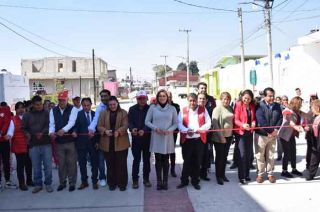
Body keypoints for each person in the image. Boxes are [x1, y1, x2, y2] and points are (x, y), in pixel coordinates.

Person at [177, 93, 211, 190]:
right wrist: (187, 130)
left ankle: (195, 181)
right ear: (188, 101)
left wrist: (200, 129)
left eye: (194, 100)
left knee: (197, 162)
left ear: (197, 100)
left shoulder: (203, 109)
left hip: (198, 140)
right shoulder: (183, 110)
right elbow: (179, 124)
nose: (192, 102)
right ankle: (184, 181)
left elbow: (208, 123)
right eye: (190, 100)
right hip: (187, 140)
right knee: (186, 161)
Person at [145, 89, 178, 190]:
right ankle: (159, 182)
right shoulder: (153, 108)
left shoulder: (172, 108)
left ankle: (165, 182)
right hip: (157, 136)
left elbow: (176, 123)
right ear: (157, 98)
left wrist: (169, 130)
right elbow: (147, 121)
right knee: (158, 159)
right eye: (160, 96)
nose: (162, 98)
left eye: (164, 96)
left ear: (167, 98)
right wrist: (155, 128)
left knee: (166, 159)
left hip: (167, 136)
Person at [97, 96, 130, 191]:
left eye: (114, 104)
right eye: (110, 104)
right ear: (108, 105)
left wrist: (119, 131)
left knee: (121, 164)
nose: (112, 106)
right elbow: (99, 126)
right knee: (110, 164)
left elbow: (126, 125)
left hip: (121, 142)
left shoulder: (123, 112)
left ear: (117, 103)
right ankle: (112, 183)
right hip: (107, 142)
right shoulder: (103, 113)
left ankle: (122, 183)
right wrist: (105, 131)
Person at [21, 95, 53, 193]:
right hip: (33, 144)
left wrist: (43, 132)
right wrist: (27, 134)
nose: (39, 106)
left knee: (48, 166)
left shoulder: (47, 113)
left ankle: (48, 184)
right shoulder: (27, 115)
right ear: (33, 105)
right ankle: (38, 184)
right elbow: (23, 128)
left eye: (40, 104)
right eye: (37, 105)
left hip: (46, 143)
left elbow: (50, 125)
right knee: (36, 166)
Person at [49, 90, 78, 192]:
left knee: (71, 163)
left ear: (67, 99)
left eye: (63, 100)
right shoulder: (53, 110)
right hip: (59, 142)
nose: (61, 102)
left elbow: (72, 122)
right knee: (61, 164)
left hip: (70, 141)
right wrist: (51, 132)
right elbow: (52, 124)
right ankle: (62, 182)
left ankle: (72, 182)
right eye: (60, 100)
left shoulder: (73, 109)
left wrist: (63, 130)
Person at [255, 87, 283, 183]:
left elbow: (280, 118)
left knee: (271, 155)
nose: (272, 98)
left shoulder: (277, 106)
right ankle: (260, 174)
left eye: (273, 96)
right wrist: (270, 131)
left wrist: (276, 129)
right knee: (260, 155)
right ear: (264, 96)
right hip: (261, 135)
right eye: (269, 96)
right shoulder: (259, 106)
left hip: (273, 135)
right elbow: (261, 120)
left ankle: (270, 174)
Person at [72, 97, 99, 190]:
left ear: (91, 105)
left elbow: (98, 129)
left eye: (88, 105)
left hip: (93, 143)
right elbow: (76, 126)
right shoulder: (79, 114)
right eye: (84, 106)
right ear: (82, 105)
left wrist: (97, 141)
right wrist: (74, 132)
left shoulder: (95, 114)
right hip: (81, 143)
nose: (86, 107)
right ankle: (84, 182)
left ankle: (95, 181)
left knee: (94, 163)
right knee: (82, 164)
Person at [6, 102, 33, 191]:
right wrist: (8, 135)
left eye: (22, 108)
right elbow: (10, 131)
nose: (21, 110)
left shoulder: (28, 118)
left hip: (29, 145)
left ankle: (29, 180)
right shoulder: (13, 120)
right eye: (19, 108)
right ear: (16, 110)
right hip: (19, 145)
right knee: (20, 166)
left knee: (29, 164)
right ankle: (22, 183)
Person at [128, 90, 152, 189]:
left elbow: (152, 121)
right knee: (136, 160)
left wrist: (144, 130)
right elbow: (129, 122)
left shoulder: (151, 109)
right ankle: (135, 180)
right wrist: (132, 128)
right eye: (139, 99)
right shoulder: (132, 109)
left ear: (147, 99)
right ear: (137, 99)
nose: (142, 100)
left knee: (147, 160)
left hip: (147, 139)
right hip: (136, 139)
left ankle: (146, 179)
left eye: (143, 98)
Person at [278, 96, 306, 178]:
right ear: (296, 103)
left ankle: (294, 169)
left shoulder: (297, 111)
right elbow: (291, 122)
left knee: (293, 152)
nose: (301, 105)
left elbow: (306, 115)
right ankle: (284, 170)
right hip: (284, 135)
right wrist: (297, 128)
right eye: (300, 104)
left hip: (291, 135)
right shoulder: (287, 111)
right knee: (287, 153)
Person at [88, 89, 110, 187]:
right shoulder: (99, 108)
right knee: (101, 161)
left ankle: (112, 177)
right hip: (101, 138)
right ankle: (102, 177)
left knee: (111, 160)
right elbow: (95, 120)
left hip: (112, 138)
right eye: (102, 96)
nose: (104, 98)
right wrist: (91, 129)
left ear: (109, 96)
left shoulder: (114, 105)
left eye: (105, 96)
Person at [234, 89, 256, 185]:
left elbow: (253, 118)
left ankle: (247, 174)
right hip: (241, 133)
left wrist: (254, 122)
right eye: (245, 98)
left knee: (248, 155)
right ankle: (241, 176)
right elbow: (236, 120)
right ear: (242, 97)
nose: (246, 100)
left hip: (249, 133)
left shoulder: (252, 106)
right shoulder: (238, 105)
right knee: (242, 155)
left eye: (249, 99)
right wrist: (242, 125)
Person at [212, 92, 234, 185]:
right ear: (221, 99)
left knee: (225, 157)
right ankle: (218, 176)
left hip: (229, 136)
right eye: (224, 99)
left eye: (228, 99)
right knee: (219, 157)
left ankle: (223, 174)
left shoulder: (230, 108)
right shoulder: (217, 109)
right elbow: (215, 123)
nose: (226, 100)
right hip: (219, 137)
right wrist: (221, 136)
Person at [197, 93, 211, 180]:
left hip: (205, 136)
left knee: (205, 156)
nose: (202, 100)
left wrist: (203, 129)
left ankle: (203, 174)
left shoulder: (206, 109)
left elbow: (209, 123)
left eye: (203, 99)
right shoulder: (194, 109)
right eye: (200, 98)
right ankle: (196, 175)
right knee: (197, 158)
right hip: (195, 137)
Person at [306, 99, 320, 181]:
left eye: (312, 108)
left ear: (318, 108)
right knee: (314, 159)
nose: (311, 109)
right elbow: (313, 127)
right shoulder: (314, 117)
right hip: (315, 142)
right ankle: (311, 174)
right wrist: (308, 128)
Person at [167, 91, 180, 177]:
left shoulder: (176, 106)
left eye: (170, 96)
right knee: (164, 151)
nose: (169, 98)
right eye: (167, 96)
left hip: (173, 131)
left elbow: (178, 118)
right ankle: (164, 168)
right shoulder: (160, 106)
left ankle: (172, 169)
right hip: (163, 132)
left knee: (172, 150)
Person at [0, 104, 13, 189]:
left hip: (4, 140)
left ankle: (7, 180)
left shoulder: (4, 110)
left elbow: (8, 122)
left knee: (6, 161)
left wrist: (2, 132)